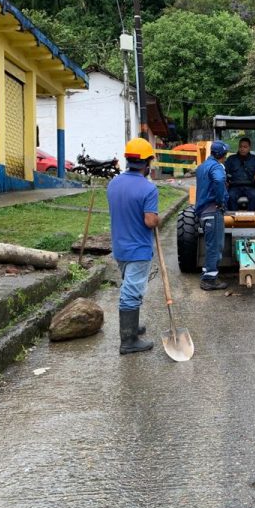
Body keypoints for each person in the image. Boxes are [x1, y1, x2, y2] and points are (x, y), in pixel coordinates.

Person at [106, 138, 159, 355]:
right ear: (146, 164)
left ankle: (133, 326)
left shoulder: (114, 184)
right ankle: (128, 341)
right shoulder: (148, 188)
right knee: (132, 291)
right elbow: (149, 221)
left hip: (120, 247)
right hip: (139, 249)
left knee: (130, 285)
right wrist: (158, 219)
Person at [195, 140, 230, 291]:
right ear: (223, 155)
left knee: (212, 246)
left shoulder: (202, 166)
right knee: (215, 246)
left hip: (203, 211)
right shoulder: (216, 167)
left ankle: (208, 273)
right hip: (213, 211)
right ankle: (209, 279)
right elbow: (219, 180)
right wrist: (221, 200)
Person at [225, 137, 255, 211]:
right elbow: (224, 172)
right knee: (230, 196)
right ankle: (233, 216)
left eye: (245, 147)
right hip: (235, 186)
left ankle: (251, 216)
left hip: (251, 186)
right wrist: (225, 180)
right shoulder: (231, 159)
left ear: (249, 148)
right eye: (240, 146)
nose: (242, 149)